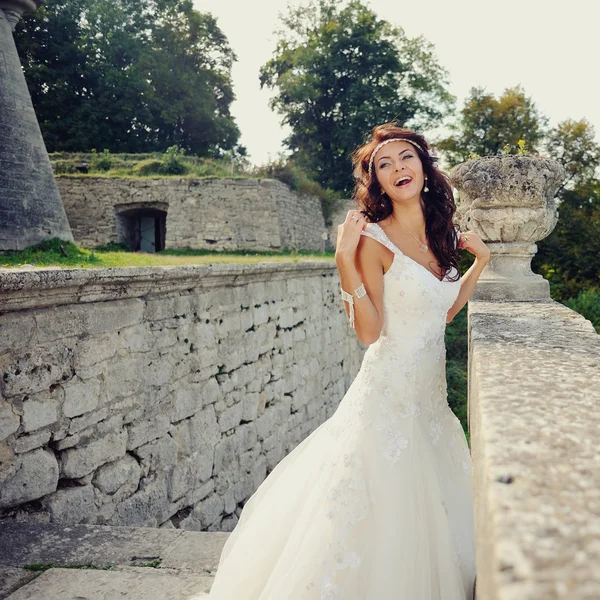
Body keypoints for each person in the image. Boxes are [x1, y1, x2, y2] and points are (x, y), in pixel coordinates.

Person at [196, 123, 490, 599]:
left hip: (431, 404)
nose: (398, 168)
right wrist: (344, 260)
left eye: (406, 158)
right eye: (385, 165)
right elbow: (371, 332)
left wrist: (480, 263)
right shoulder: (374, 241)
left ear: (425, 168)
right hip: (387, 399)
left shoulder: (443, 235)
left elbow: (446, 311)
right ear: (376, 181)